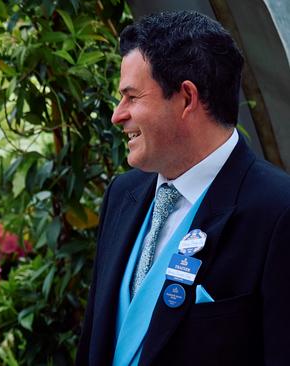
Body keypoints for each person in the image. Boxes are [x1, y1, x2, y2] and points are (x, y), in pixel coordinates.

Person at [76, 10, 290, 366]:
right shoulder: (121, 195)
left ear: (186, 99)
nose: (117, 115)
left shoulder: (279, 212)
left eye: (131, 97)